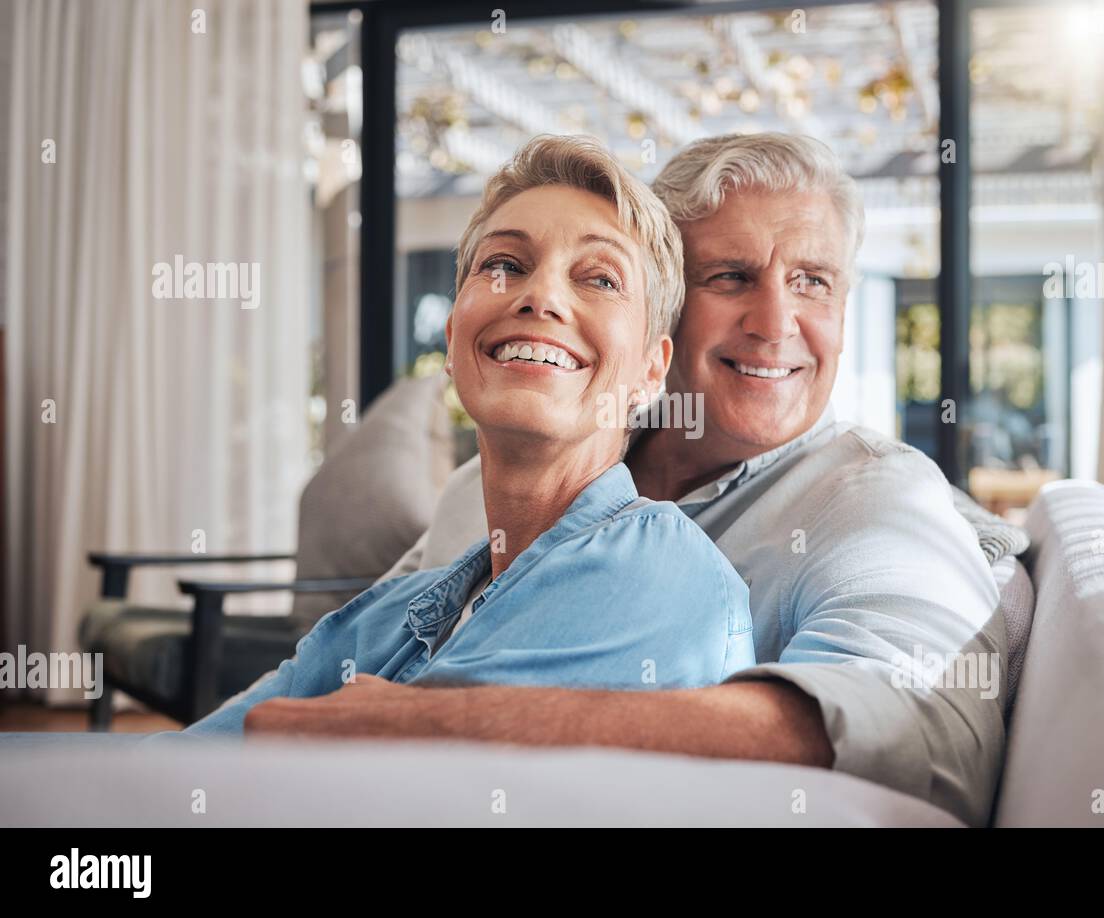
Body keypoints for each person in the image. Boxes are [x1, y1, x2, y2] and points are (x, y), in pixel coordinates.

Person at [243, 133, 1007, 827]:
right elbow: (364, 662)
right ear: (659, 313)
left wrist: (429, 725)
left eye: (813, 283)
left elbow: (927, 742)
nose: (776, 324)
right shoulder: (477, 490)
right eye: (731, 276)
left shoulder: (875, 500)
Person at [180, 135, 756, 734]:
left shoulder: (662, 575)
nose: (540, 296)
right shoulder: (379, 619)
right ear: (454, 337)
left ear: (651, 370)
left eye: (601, 279)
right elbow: (181, 765)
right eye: (504, 265)